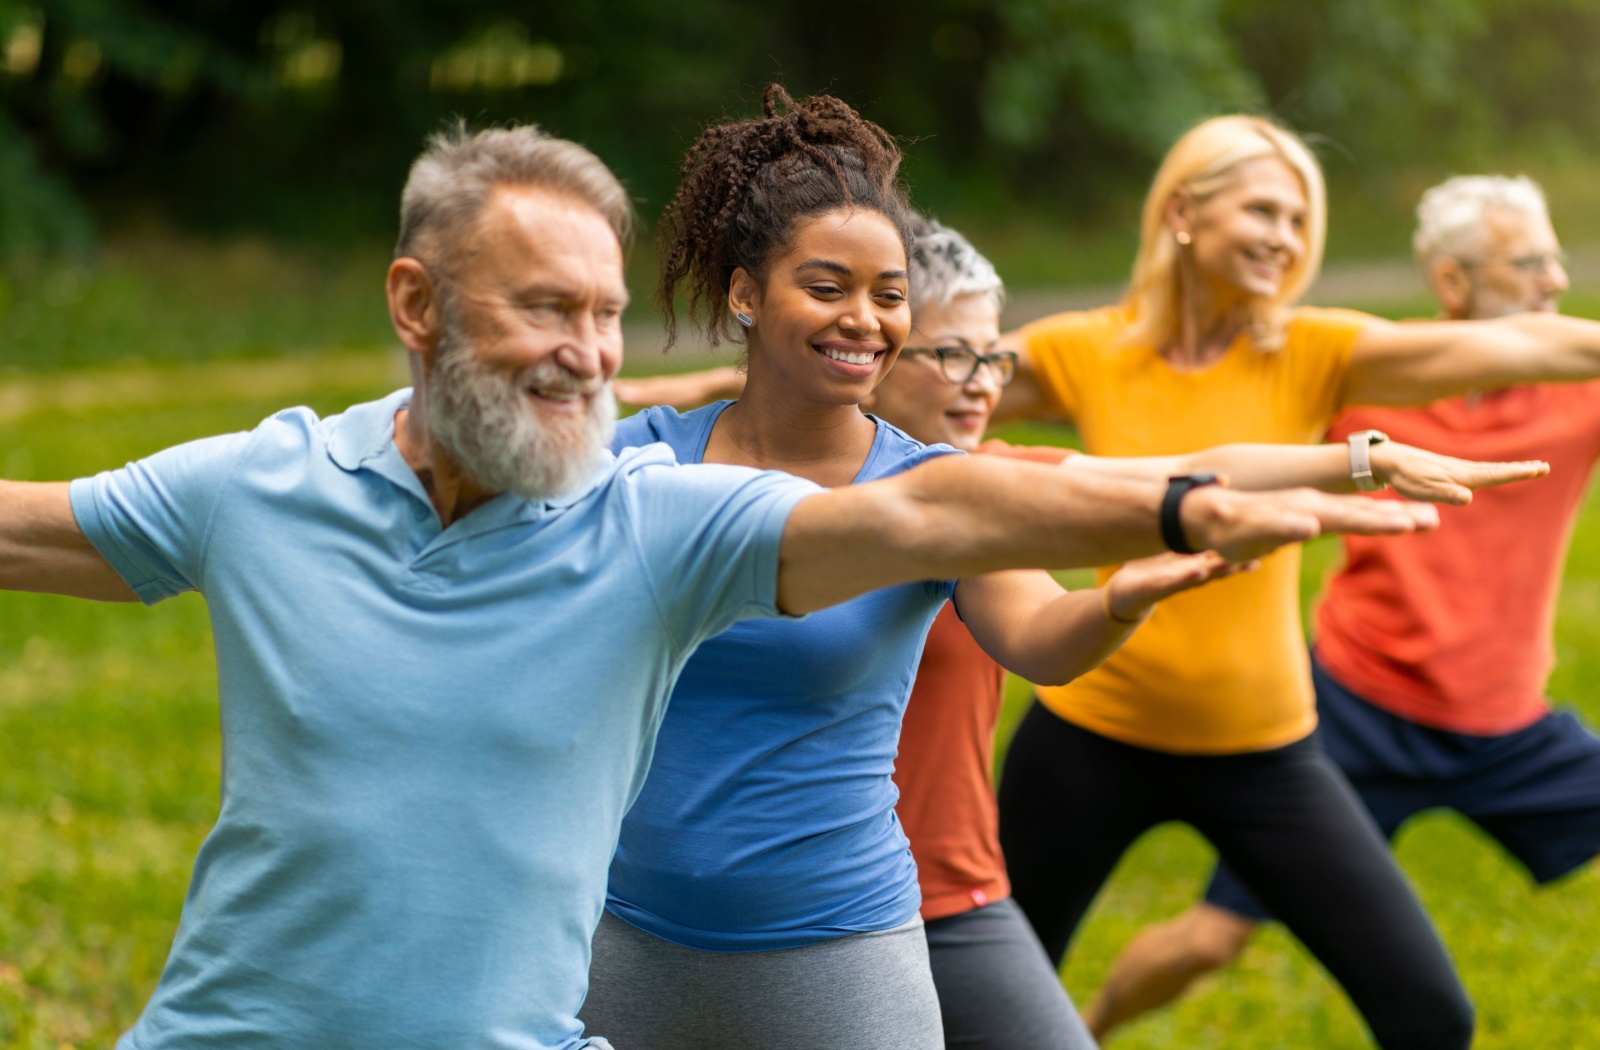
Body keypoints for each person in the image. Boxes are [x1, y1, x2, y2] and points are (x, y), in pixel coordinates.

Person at [0, 123, 1443, 1050]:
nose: (584, 349)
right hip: (429, 986)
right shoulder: (336, 484)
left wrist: (1194, 495)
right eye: (545, 308)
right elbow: (37, 529)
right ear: (413, 303)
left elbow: (955, 499)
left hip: (825, 933)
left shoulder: (660, 520)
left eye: (605, 315)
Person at [605, 197, 1540, 1050]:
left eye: (992, 359)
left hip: (901, 903)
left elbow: (1157, 488)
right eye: (952, 354)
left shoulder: (963, 488)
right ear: (748, 295)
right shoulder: (653, 466)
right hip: (642, 915)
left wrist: (1347, 467)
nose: (979, 383)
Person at [990, 116, 1600, 1050]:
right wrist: (711, 394)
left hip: (1263, 751)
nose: (1287, 235)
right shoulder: (1085, 349)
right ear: (1184, 211)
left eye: (1301, 218)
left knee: (1432, 1016)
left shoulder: (1316, 350)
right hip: (1088, 736)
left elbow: (1537, 349)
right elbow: (918, 380)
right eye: (1265, 209)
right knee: (978, 1008)